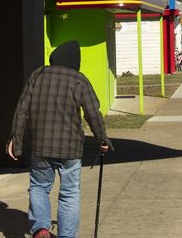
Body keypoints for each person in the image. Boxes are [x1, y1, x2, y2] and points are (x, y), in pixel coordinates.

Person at [7, 40, 112, 238]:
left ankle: (40, 228)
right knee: (70, 194)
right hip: (70, 149)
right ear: (74, 62)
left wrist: (16, 138)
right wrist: (102, 139)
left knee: (39, 187)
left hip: (41, 146)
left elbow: (22, 110)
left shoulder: (37, 75)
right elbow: (93, 113)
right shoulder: (79, 80)